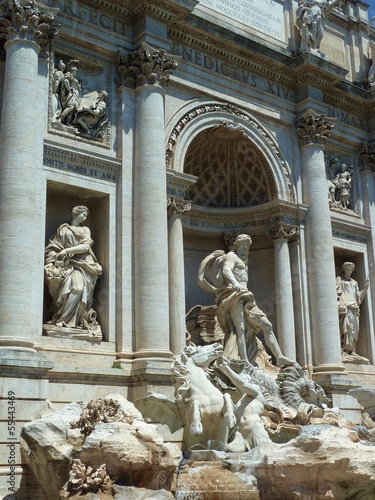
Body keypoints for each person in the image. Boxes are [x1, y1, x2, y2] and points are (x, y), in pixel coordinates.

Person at [198, 234, 293, 366]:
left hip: (246, 296)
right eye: (243, 245)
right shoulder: (231, 256)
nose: (245, 248)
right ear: (237, 244)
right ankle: (244, 361)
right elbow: (226, 270)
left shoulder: (244, 259)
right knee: (240, 329)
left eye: (247, 246)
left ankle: (280, 357)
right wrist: (235, 283)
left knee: (267, 325)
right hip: (234, 294)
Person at [44, 206, 102, 330]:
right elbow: (54, 246)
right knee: (71, 290)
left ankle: (69, 320)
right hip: (67, 264)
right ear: (75, 213)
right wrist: (53, 260)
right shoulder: (63, 229)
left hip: (84, 264)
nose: (85, 217)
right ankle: (63, 319)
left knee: (79, 288)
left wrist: (66, 251)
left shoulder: (85, 229)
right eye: (83, 214)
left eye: (87, 215)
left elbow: (86, 247)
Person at [336, 262, 369, 355]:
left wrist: (365, 288)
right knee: (347, 327)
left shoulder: (355, 283)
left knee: (354, 329)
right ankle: (345, 349)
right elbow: (335, 292)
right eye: (347, 269)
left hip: (354, 307)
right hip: (347, 306)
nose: (349, 271)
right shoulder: (340, 280)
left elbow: (359, 298)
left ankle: (351, 349)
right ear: (344, 269)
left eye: (351, 270)